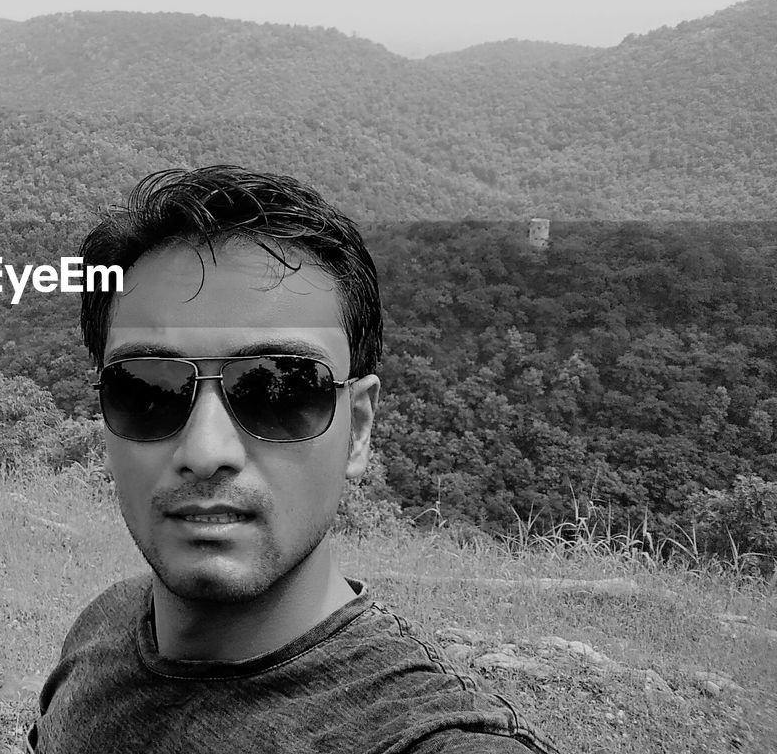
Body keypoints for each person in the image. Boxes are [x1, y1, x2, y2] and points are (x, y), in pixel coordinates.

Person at [28, 165, 558, 753]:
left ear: (357, 428)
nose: (207, 452)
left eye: (280, 390)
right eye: (147, 391)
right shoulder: (104, 628)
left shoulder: (426, 740)